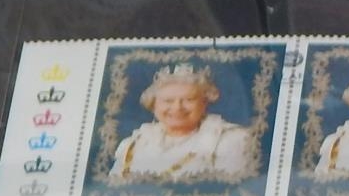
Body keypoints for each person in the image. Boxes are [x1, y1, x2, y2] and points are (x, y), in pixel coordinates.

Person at [108, 62, 261, 185]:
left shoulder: (231, 141)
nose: (177, 108)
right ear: (153, 105)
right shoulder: (133, 144)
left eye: (189, 100)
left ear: (204, 103)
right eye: (168, 101)